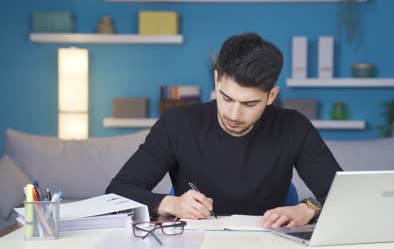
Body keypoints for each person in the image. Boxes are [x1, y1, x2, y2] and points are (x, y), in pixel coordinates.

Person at [106, 32, 342, 228]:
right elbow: (118, 191)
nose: (234, 114)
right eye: (226, 98)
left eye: (249, 104)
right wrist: (170, 204)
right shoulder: (177, 123)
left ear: (271, 95)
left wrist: (309, 208)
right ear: (217, 80)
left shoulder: (294, 127)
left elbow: (344, 196)